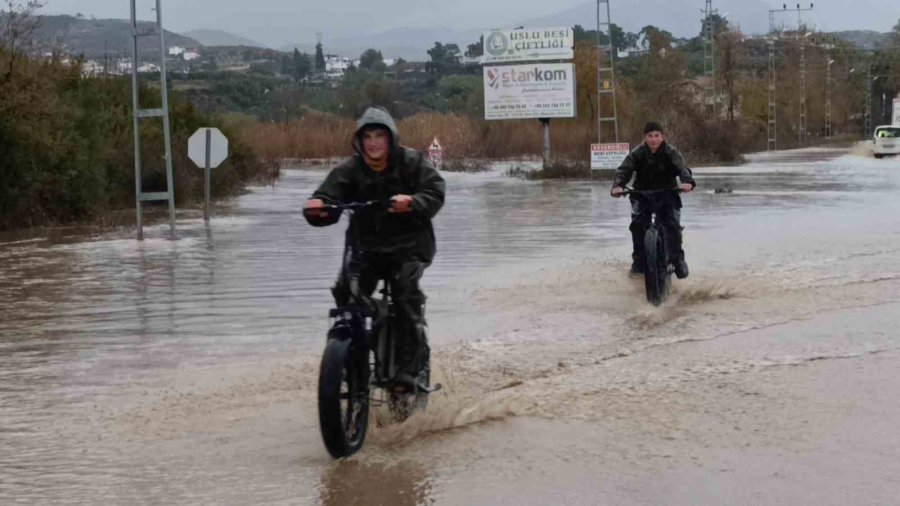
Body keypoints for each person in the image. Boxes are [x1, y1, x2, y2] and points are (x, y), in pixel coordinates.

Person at [303, 106, 445, 389]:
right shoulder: (349, 170)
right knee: (346, 292)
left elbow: (435, 191)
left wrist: (413, 202)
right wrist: (317, 207)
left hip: (410, 246)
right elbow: (327, 197)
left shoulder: (412, 162)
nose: (373, 142)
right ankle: (351, 359)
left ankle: (408, 370)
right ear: (359, 141)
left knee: (405, 294)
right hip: (365, 248)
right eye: (367, 136)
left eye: (380, 135)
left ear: (391, 138)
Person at [610, 122, 695, 278]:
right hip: (642, 193)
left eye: (657, 136)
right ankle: (639, 262)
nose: (653, 139)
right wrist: (618, 185)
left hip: (667, 192)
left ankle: (678, 260)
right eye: (650, 136)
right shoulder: (637, 153)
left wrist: (687, 182)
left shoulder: (671, 153)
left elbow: (682, 169)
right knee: (637, 226)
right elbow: (624, 170)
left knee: (672, 226)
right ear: (645, 137)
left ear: (662, 137)